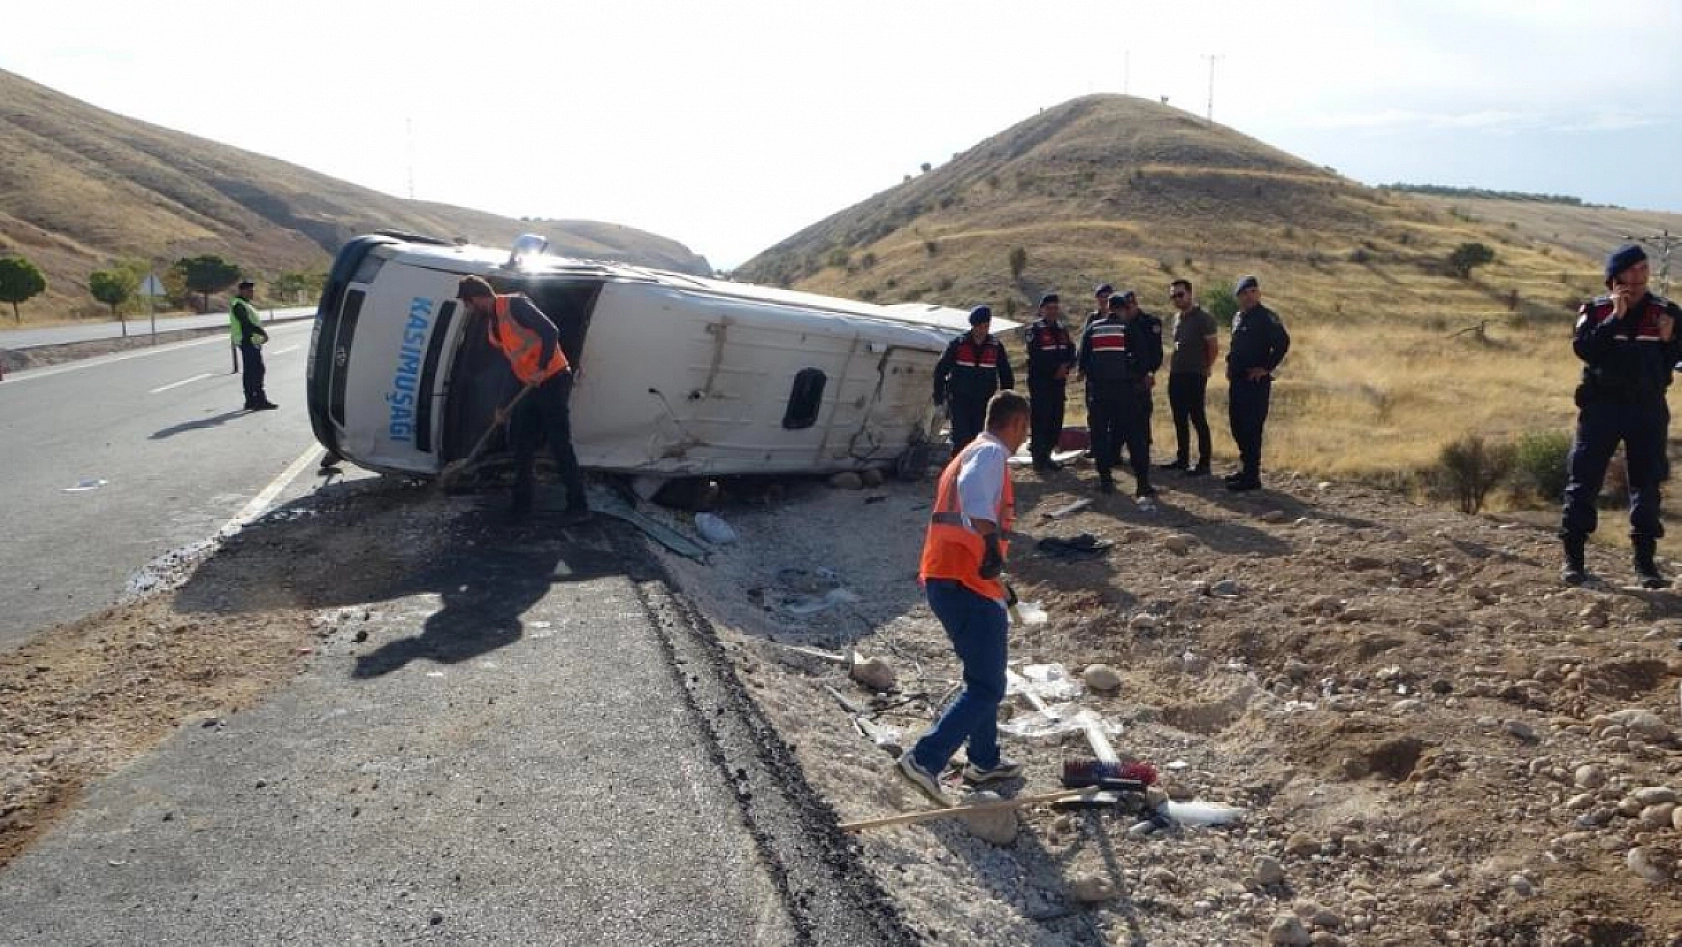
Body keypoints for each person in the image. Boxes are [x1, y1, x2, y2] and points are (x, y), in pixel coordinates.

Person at [898, 390, 1031, 803]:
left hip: (951, 578)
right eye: (1025, 429)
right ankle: (925, 759)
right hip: (965, 581)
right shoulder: (990, 455)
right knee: (988, 686)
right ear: (1014, 423)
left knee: (981, 678)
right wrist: (991, 546)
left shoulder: (969, 452)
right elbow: (975, 494)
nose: (1025, 438)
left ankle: (984, 760)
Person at [1559, 244, 1682, 588]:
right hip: (1602, 407)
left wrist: (1669, 338)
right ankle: (1574, 559)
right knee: (1583, 478)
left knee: (1647, 483)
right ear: (1615, 276)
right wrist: (1615, 317)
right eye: (1632, 270)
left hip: (1647, 408)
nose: (1640, 277)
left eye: (1644, 269)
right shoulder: (1596, 310)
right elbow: (1584, 349)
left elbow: (1675, 359)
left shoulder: (1667, 311)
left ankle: (1645, 564)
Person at [456, 276, 590, 523]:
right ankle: (521, 505)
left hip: (552, 380)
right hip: (527, 385)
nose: (469, 309)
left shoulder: (515, 306)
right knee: (520, 444)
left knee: (560, 443)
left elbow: (551, 331)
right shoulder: (493, 326)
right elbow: (514, 364)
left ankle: (578, 505)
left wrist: (541, 367)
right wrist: (502, 405)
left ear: (475, 298)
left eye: (468, 304)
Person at [1078, 292, 1155, 496]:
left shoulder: (1092, 329)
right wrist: (1136, 377)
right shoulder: (1129, 328)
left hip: (1100, 392)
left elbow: (1082, 360)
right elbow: (1143, 358)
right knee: (1134, 437)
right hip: (1126, 392)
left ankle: (1105, 481)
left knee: (1101, 437)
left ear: (1109, 308)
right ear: (1122, 309)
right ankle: (1142, 485)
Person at [1224, 275, 1290, 492]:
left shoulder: (1266, 317)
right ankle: (1245, 469)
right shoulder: (1238, 317)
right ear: (1238, 297)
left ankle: (1252, 477)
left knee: (1252, 428)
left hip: (1255, 381)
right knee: (1237, 425)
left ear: (1258, 294)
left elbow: (1282, 343)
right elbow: (1236, 346)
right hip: (1237, 380)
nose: (1249, 296)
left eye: (1253, 291)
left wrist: (1266, 368)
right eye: (1244, 293)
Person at [934, 306, 1014, 454]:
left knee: (980, 438)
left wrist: (1006, 400)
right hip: (960, 400)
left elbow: (1006, 373)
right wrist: (939, 398)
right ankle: (959, 471)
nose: (983, 330)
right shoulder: (958, 344)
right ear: (973, 326)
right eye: (980, 326)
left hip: (984, 401)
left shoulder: (995, 347)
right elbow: (940, 371)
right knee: (961, 438)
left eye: (986, 326)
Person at [1159, 279, 1219, 475]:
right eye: (1173, 296)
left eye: (1180, 294)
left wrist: (1206, 367)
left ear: (1190, 294)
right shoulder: (1177, 318)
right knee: (1179, 418)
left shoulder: (1204, 318)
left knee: (1197, 417)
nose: (1177, 299)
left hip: (1195, 374)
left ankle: (1204, 462)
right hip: (1177, 373)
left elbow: (1212, 347)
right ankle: (1182, 458)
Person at [1024, 292, 1076, 472]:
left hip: (1058, 384)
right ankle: (1038, 460)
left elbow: (1071, 351)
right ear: (1042, 310)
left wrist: (1066, 366)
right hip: (1041, 383)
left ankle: (1047, 455)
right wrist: (1055, 369)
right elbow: (1036, 356)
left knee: (1056, 421)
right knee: (1041, 421)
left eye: (1055, 308)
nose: (1053, 311)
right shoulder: (1034, 330)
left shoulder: (1062, 330)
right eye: (1049, 308)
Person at [230, 279, 276, 411]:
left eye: (252, 290)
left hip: (250, 341)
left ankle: (250, 401)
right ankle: (260, 401)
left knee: (250, 372)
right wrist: (262, 333)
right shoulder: (238, 305)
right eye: (249, 291)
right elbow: (246, 323)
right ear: (242, 291)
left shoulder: (244, 304)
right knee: (257, 371)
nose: (252, 293)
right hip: (247, 341)